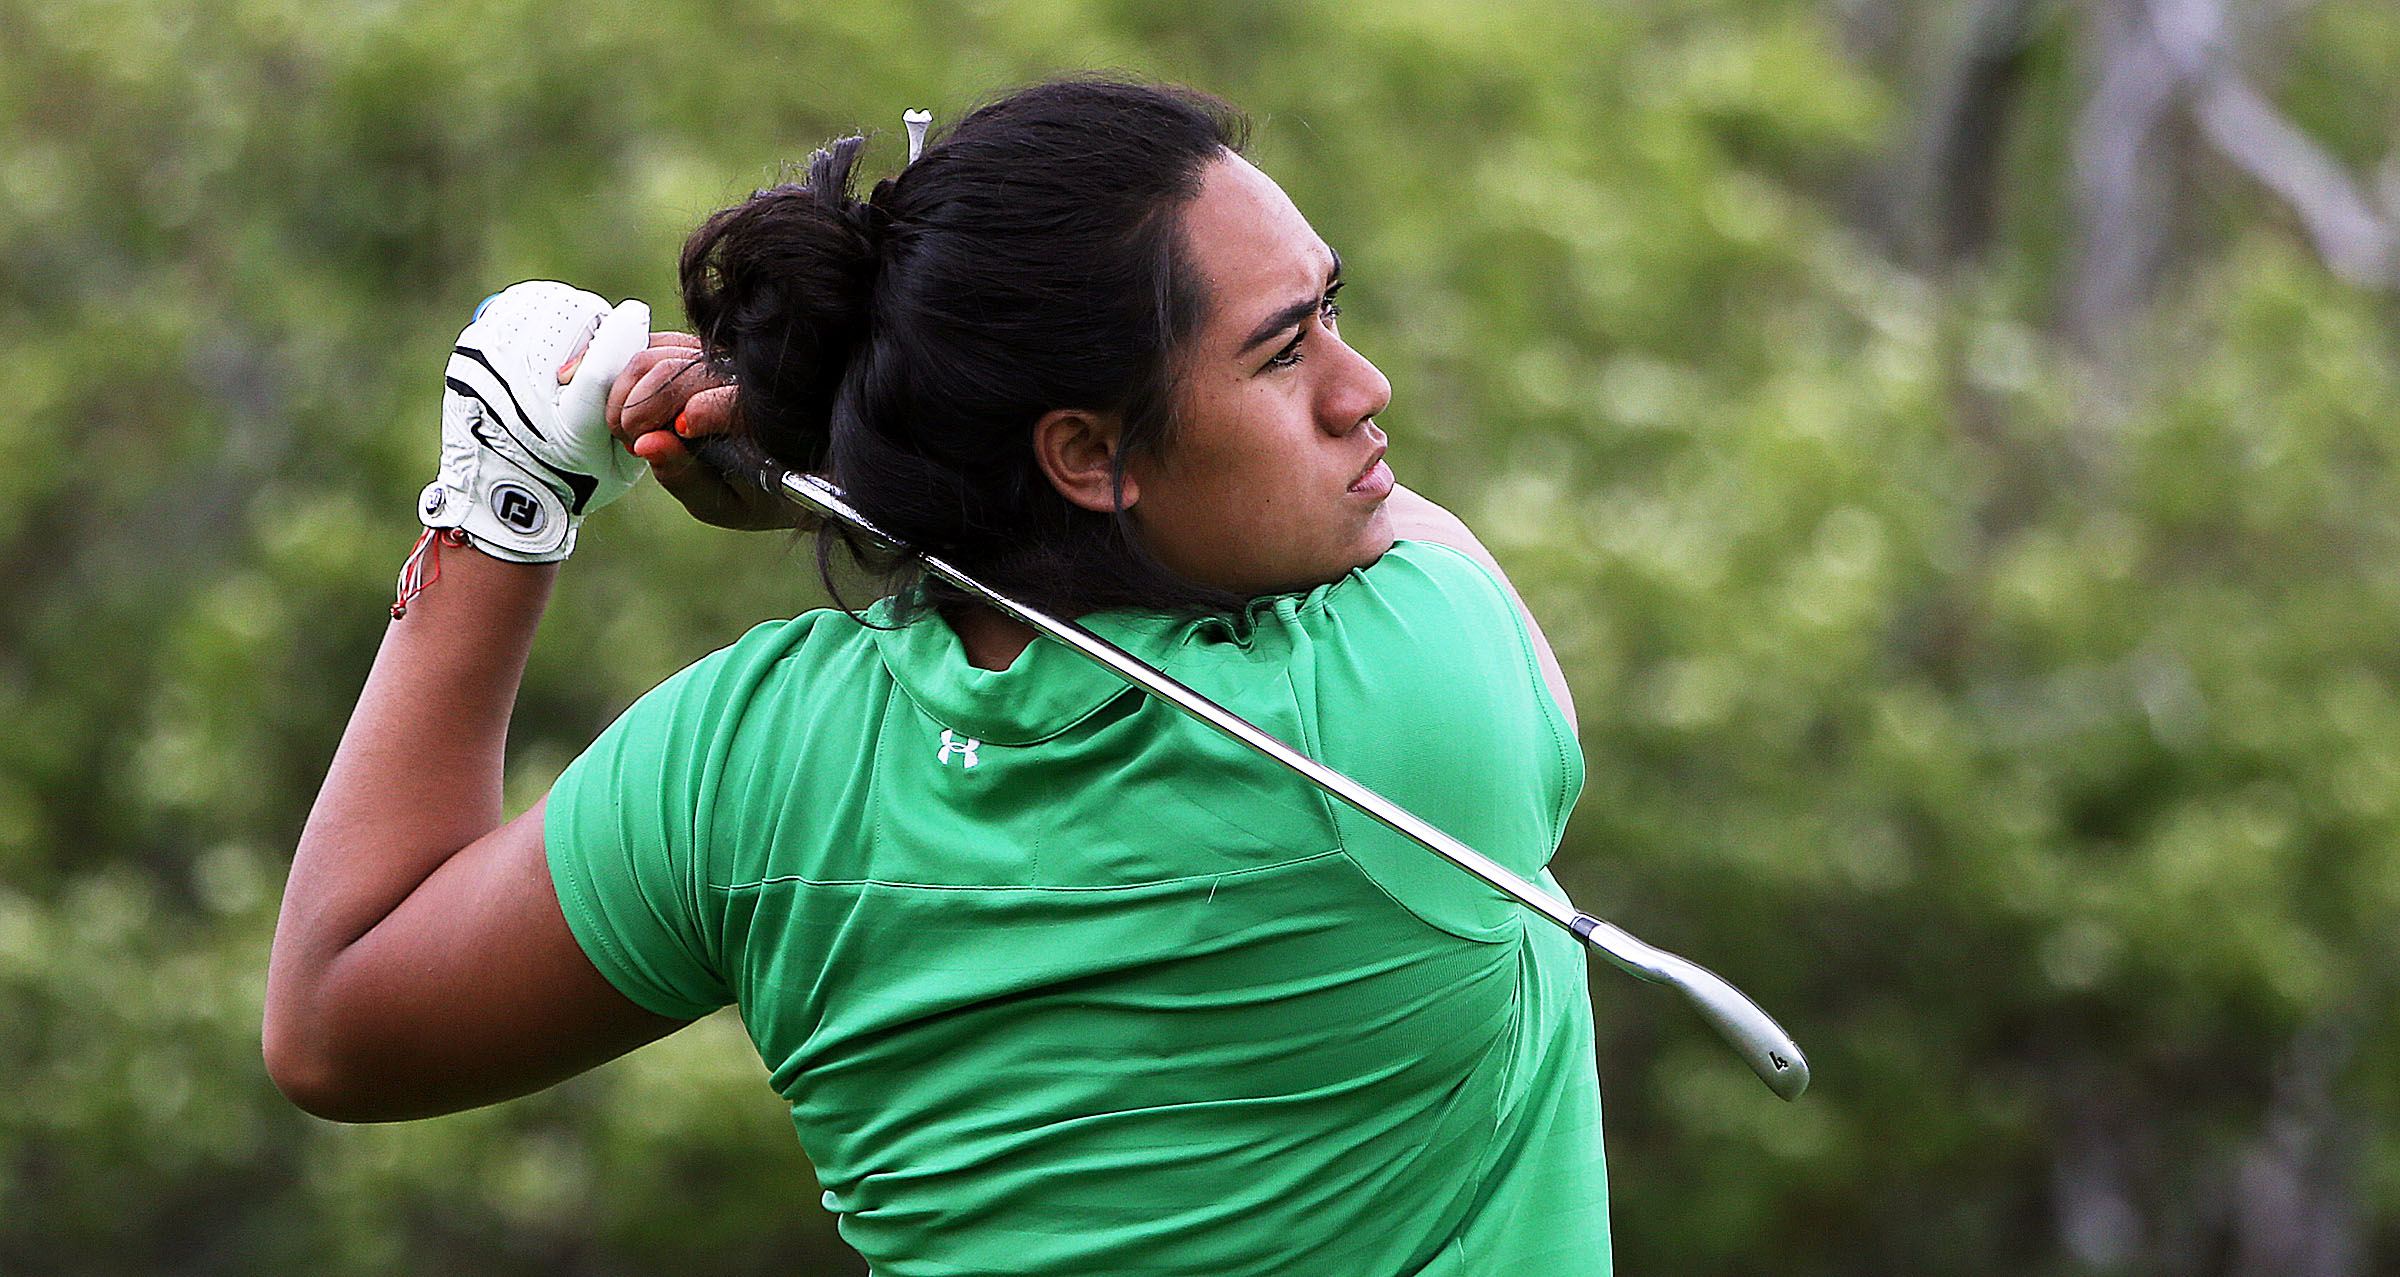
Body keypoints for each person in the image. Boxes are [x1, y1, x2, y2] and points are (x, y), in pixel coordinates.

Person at [265, 77, 1608, 1275]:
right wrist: (851, 487)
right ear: (1086, 455)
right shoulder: (1410, 703)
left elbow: (339, 1015)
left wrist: (509, 493)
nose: (1360, 386)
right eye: (1282, 349)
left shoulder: (756, 764)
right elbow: (1383, 521)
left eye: (1331, 307)